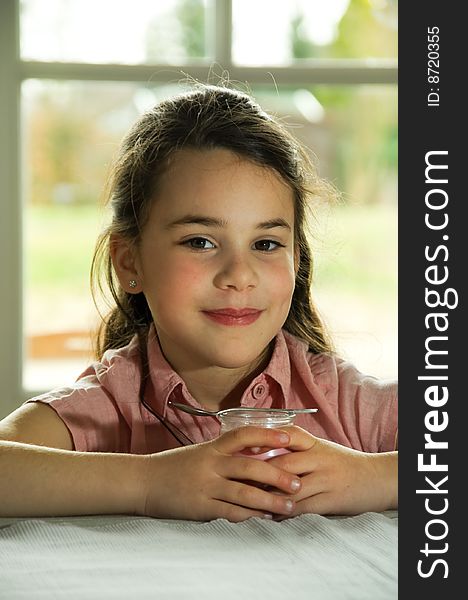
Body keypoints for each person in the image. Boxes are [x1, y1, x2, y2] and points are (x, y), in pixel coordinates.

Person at [0, 84, 397, 522]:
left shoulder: (342, 399)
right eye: (200, 241)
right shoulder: (108, 407)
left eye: (266, 243)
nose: (239, 275)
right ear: (129, 260)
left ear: (297, 260)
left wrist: (373, 476)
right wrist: (150, 483)